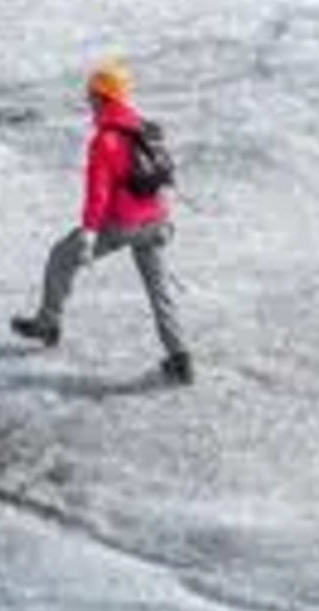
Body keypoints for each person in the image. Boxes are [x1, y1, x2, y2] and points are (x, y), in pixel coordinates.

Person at [11, 64, 193, 382]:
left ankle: (47, 324)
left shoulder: (105, 140)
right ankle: (180, 358)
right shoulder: (145, 127)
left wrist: (89, 233)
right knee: (160, 291)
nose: (88, 101)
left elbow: (99, 193)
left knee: (60, 257)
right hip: (155, 224)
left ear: (103, 97)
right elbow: (163, 176)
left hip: (122, 224)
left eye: (91, 95)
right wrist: (162, 220)